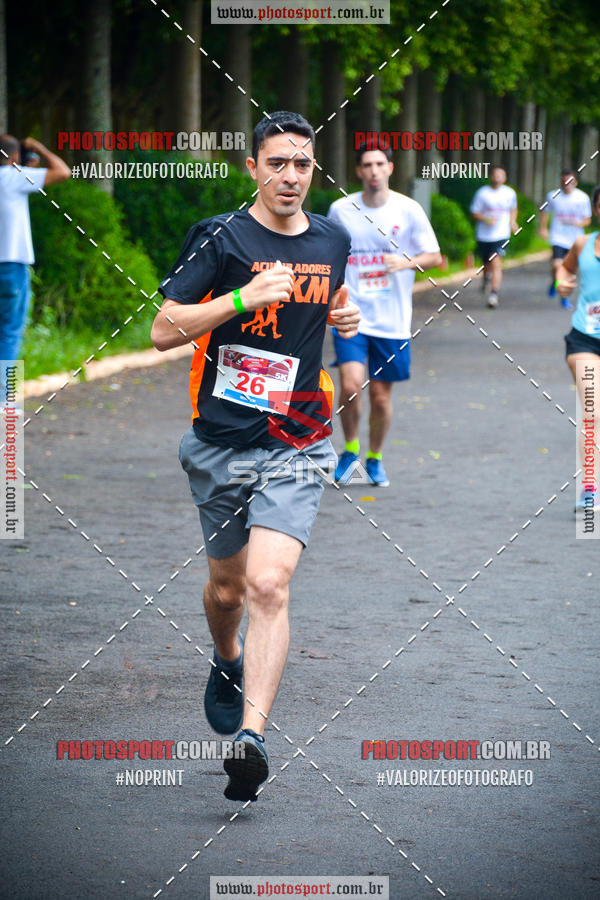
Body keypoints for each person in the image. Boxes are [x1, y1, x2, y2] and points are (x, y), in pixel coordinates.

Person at [150, 111, 360, 802]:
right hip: (218, 442)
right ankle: (226, 655)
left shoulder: (334, 236)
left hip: (298, 435)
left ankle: (253, 738)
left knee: (270, 585)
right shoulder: (221, 236)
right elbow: (162, 328)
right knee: (228, 591)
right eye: (277, 163)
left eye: (302, 164)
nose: (290, 176)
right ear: (253, 168)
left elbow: (334, 297)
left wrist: (347, 323)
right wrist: (241, 297)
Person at [327, 143, 442, 487]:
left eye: (380, 163)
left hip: (392, 320)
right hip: (352, 314)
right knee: (350, 386)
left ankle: (374, 458)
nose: (374, 170)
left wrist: (405, 263)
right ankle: (349, 451)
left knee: (380, 395)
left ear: (390, 168)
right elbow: (329, 255)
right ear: (359, 171)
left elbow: (434, 256)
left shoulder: (408, 210)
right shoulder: (340, 210)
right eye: (367, 165)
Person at [0, 135, 71, 405]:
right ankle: (6, 399)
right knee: (9, 330)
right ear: (14, 157)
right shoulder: (14, 177)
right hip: (12, 265)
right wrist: (39, 147)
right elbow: (62, 172)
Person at [556, 185, 600, 513]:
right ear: (596, 210)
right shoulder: (584, 243)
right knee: (592, 411)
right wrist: (562, 282)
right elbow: (566, 268)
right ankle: (589, 489)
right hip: (585, 336)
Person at [539, 168, 592, 309]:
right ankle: (558, 285)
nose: (567, 184)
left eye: (570, 181)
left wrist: (577, 223)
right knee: (557, 265)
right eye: (564, 181)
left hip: (575, 239)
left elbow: (587, 220)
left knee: (569, 270)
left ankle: (561, 292)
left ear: (575, 182)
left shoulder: (583, 198)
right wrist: (543, 228)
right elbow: (544, 212)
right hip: (558, 237)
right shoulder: (553, 195)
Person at [470, 165, 518, 309]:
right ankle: (486, 278)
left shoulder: (510, 193)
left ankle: (493, 295)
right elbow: (475, 212)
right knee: (487, 263)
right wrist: (486, 219)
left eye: (500, 175)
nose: (497, 178)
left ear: (505, 178)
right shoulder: (482, 193)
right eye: (495, 175)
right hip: (484, 235)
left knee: (496, 262)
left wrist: (512, 222)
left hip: (501, 234)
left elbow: (513, 209)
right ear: (491, 177)